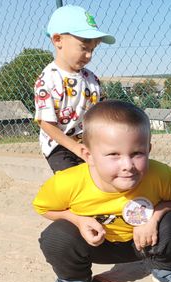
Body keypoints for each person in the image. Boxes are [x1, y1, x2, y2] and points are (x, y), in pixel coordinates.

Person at [32, 100, 171, 282]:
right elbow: (44, 208)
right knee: (56, 235)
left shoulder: (162, 175)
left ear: (148, 149)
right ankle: (73, 279)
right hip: (96, 246)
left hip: (146, 244)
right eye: (113, 155)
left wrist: (155, 217)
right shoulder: (67, 182)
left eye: (137, 153)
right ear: (88, 155)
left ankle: (166, 269)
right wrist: (79, 220)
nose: (128, 165)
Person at [34, 5, 115, 172]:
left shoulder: (91, 79)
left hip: (88, 141)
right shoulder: (47, 80)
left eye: (92, 49)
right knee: (70, 179)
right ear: (58, 40)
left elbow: (101, 110)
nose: (89, 55)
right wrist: (75, 147)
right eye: (84, 48)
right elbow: (45, 123)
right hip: (59, 145)